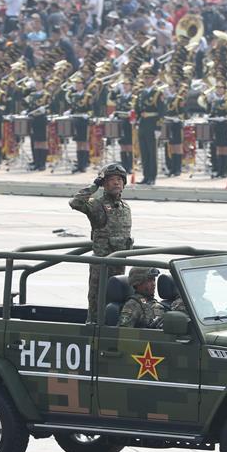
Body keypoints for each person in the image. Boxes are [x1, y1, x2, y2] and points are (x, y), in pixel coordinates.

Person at [69, 163, 133, 322]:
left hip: (119, 265)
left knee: (117, 303)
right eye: (111, 180)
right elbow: (75, 202)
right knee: (97, 303)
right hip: (101, 266)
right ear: (104, 184)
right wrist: (94, 185)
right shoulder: (97, 204)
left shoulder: (125, 207)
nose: (116, 183)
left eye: (119, 179)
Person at [133, 66, 164, 185]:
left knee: (152, 152)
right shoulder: (140, 93)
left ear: (153, 78)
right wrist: (134, 118)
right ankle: (145, 176)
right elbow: (137, 110)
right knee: (144, 152)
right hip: (142, 125)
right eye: (145, 78)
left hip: (152, 124)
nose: (146, 80)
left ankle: (152, 176)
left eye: (149, 78)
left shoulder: (157, 93)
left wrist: (158, 128)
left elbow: (161, 112)